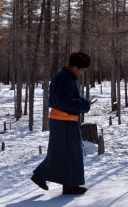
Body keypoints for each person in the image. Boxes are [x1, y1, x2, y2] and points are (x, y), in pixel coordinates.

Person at [31, 52, 93, 195]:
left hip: (64, 121)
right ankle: (43, 176)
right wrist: (83, 104)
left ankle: (69, 185)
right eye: (82, 69)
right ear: (75, 66)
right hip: (63, 121)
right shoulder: (64, 78)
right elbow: (64, 102)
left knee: (67, 153)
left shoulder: (66, 76)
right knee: (69, 152)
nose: (82, 73)